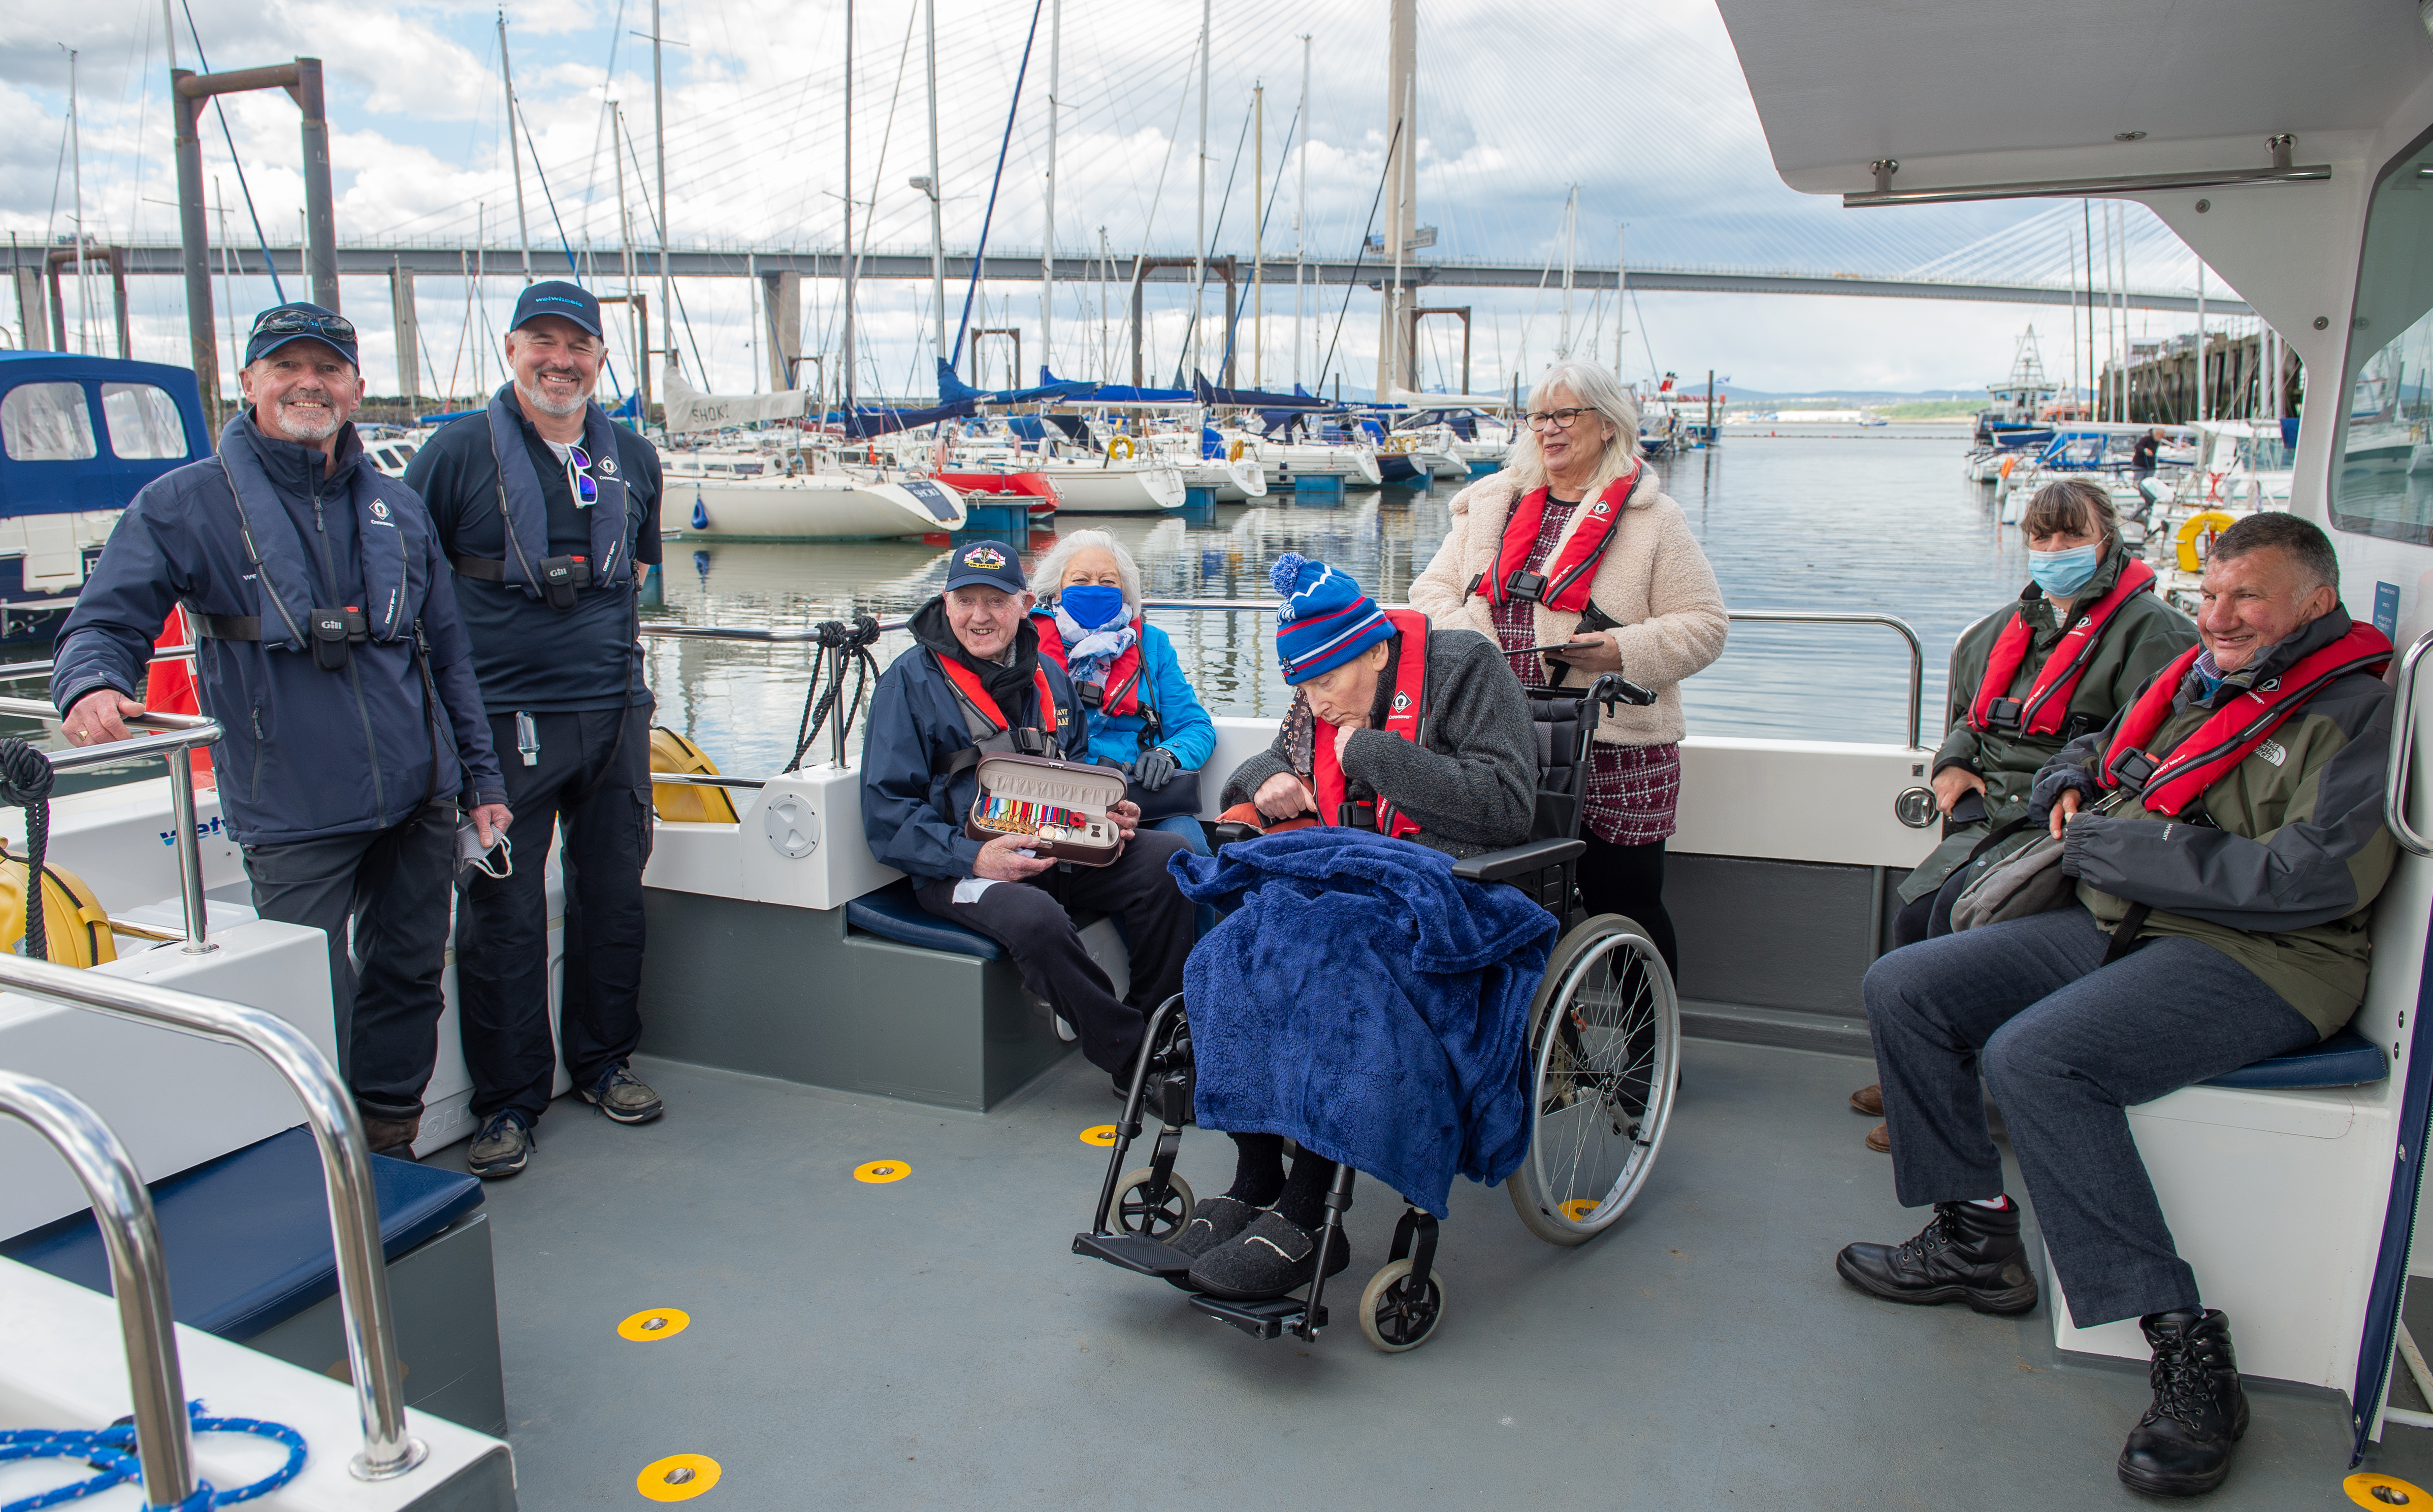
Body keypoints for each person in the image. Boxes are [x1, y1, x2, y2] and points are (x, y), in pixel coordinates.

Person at [1839, 512, 2395, 1499]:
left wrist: (2126, 851)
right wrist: (2063, 776)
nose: (2218, 616)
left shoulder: (2353, 714)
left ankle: (2188, 1355)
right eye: (2209, 594)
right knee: (1906, 984)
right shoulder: (2199, 681)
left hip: (2264, 958)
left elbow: (2317, 878)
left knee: (2034, 1058)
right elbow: (2106, 747)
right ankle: (1973, 1234)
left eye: (2245, 597)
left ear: (2313, 602)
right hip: (2124, 921)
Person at [52, 303, 510, 1158]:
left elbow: (450, 658)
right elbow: (101, 624)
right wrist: (90, 685)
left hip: (418, 799)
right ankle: (318, 1159)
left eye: (328, 368)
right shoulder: (184, 504)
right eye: (288, 366)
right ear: (251, 383)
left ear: (357, 387)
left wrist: (482, 784)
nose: (310, 382)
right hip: (291, 805)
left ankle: (388, 1145)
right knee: (309, 990)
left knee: (410, 976)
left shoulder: (398, 511)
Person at [1177, 552, 1537, 1299]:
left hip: (1454, 886)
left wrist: (1371, 752)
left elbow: (1506, 806)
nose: (1316, 699)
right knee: (1228, 947)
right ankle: (1255, 1178)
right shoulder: (1323, 685)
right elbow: (1273, 758)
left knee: (1332, 963)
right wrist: (1260, 779)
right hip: (1352, 879)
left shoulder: (1466, 666)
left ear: (1376, 648)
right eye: (1301, 685)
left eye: (1326, 681)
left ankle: (1312, 1216)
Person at [402, 280, 666, 1180]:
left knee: (615, 896)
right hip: (501, 726)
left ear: (600, 356)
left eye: (578, 345)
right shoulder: (453, 453)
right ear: (511, 349)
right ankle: (508, 1102)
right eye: (542, 343)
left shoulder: (631, 453)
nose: (561, 361)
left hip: (614, 715)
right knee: (505, 915)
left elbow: (634, 567)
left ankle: (602, 1062)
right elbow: (410, 579)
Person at [1846, 479, 2195, 1149]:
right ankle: (1916, 1080)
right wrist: (1949, 760)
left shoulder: (2154, 633)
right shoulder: (2008, 626)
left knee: (1952, 916)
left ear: (2107, 539)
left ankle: (1939, 1102)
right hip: (1987, 811)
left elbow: (2148, 744)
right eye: (2042, 537)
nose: (2054, 550)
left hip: (2062, 817)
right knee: (1913, 912)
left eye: (2071, 537)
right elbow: (1966, 720)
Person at [1410, 358, 1725, 979]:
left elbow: (1705, 625)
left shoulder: (1653, 519)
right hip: (1500, 743)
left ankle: (1650, 1059)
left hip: (1616, 748)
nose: (1548, 430)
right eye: (1538, 417)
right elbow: (1429, 594)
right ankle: (1541, 1049)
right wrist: (1482, 650)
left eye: (1564, 415)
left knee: (1629, 905)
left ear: (1607, 424)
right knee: (1512, 899)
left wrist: (1620, 650)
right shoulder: (1491, 504)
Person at [859, 539, 1197, 1088]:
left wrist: (1105, 814)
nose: (980, 616)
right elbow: (887, 815)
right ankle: (1134, 1060)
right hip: (957, 868)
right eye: (966, 600)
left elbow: (1077, 764)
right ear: (945, 602)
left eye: (995, 601)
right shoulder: (909, 683)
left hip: (1055, 846)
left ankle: (1157, 1027)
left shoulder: (1049, 674)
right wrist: (976, 855)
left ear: (1023, 603)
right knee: (1034, 916)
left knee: (1172, 861)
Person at [1026, 530, 1215, 859]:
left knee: (1188, 846)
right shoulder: (1026, 643)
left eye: (1108, 581)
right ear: (1057, 587)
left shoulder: (1152, 644)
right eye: (1081, 580)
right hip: (1059, 796)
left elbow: (1196, 726)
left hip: (1141, 795)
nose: (1095, 589)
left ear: (1125, 590)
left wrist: (1168, 754)